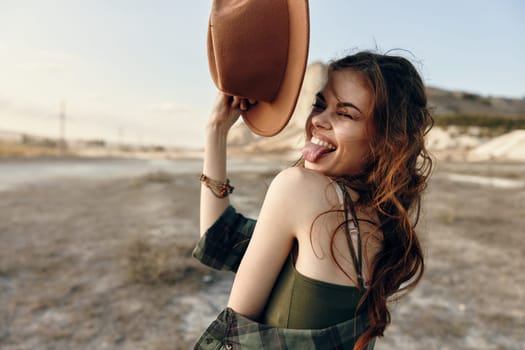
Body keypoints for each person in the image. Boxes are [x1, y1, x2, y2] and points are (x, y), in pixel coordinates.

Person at [194, 51, 434, 349]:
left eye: (345, 113)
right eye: (319, 105)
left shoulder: (300, 188)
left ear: (387, 139)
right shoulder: (380, 219)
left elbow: (233, 338)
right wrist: (216, 131)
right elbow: (223, 239)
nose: (319, 120)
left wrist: (214, 131)